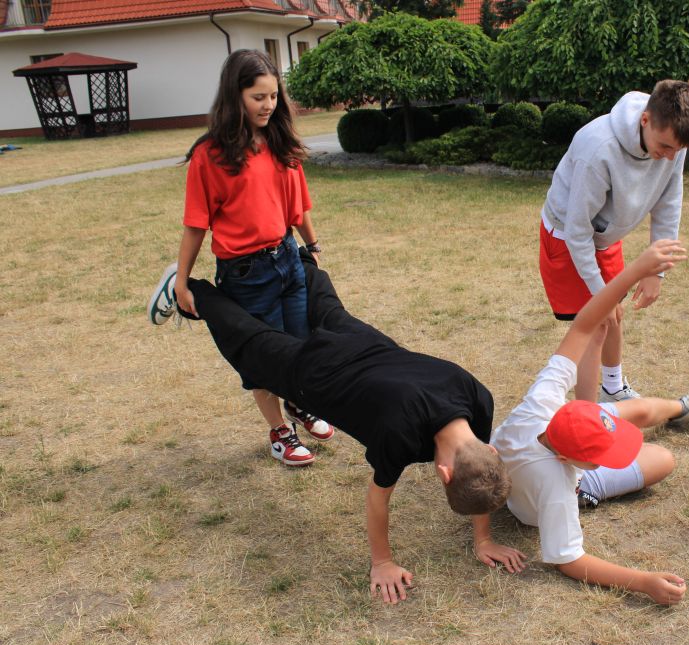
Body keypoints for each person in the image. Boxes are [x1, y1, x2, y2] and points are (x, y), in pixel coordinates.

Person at [147, 249, 524, 604]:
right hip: (316, 375)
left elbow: (481, 475)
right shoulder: (402, 434)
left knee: (326, 304)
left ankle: (296, 257)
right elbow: (378, 499)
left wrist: (484, 540)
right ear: (443, 473)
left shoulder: (478, 398)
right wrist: (382, 562)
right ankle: (188, 289)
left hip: (367, 344)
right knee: (251, 342)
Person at [475, 239, 689, 606]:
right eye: (600, 456)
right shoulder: (558, 486)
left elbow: (582, 326)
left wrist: (634, 273)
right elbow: (568, 560)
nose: (609, 455)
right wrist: (643, 582)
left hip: (557, 446)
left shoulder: (540, 405)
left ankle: (681, 408)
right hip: (554, 488)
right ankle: (657, 425)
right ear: (569, 461)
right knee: (662, 459)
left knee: (638, 410)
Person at [150, 49, 332, 467]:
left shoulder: (280, 141)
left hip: (287, 257)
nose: (268, 105)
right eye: (258, 97)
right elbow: (196, 224)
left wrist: (312, 246)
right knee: (263, 356)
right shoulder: (211, 155)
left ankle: (298, 403)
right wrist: (182, 282)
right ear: (236, 96)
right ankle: (280, 432)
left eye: (273, 96)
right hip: (246, 274)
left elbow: (299, 206)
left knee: (300, 344)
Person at [539, 80, 689, 403]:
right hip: (567, 237)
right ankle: (586, 417)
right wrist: (599, 293)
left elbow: (669, 203)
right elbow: (577, 231)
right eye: (665, 147)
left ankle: (612, 389)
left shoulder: (674, 140)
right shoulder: (597, 149)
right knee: (596, 325)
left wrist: (656, 273)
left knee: (614, 315)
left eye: (678, 150)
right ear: (645, 120)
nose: (670, 158)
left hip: (605, 235)